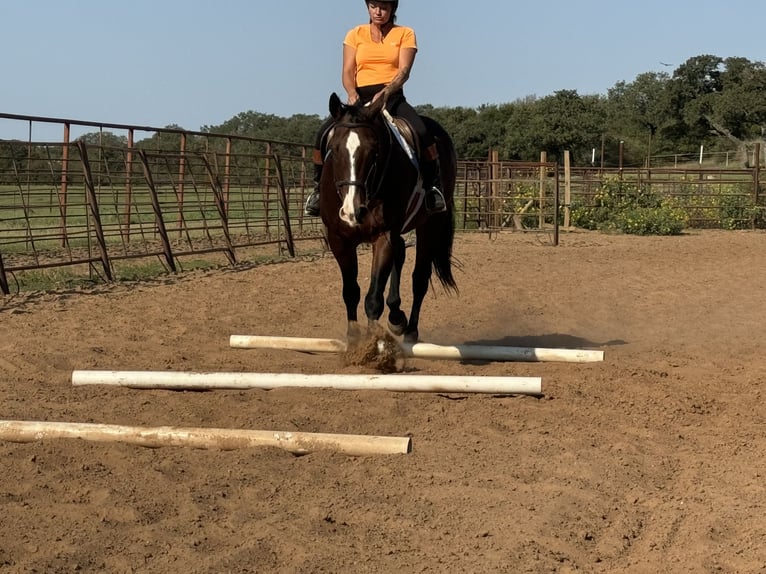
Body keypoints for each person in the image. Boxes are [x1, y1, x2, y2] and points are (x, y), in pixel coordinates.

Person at [304, 0, 447, 216]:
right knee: (323, 133)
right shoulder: (354, 34)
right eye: (373, 6)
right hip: (360, 98)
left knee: (422, 131)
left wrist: (386, 93)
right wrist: (352, 93)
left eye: (384, 7)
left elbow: (404, 71)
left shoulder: (405, 34)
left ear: (392, 9)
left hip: (392, 98)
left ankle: (432, 188)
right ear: (368, 8)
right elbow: (347, 70)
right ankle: (317, 190)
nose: (378, 12)